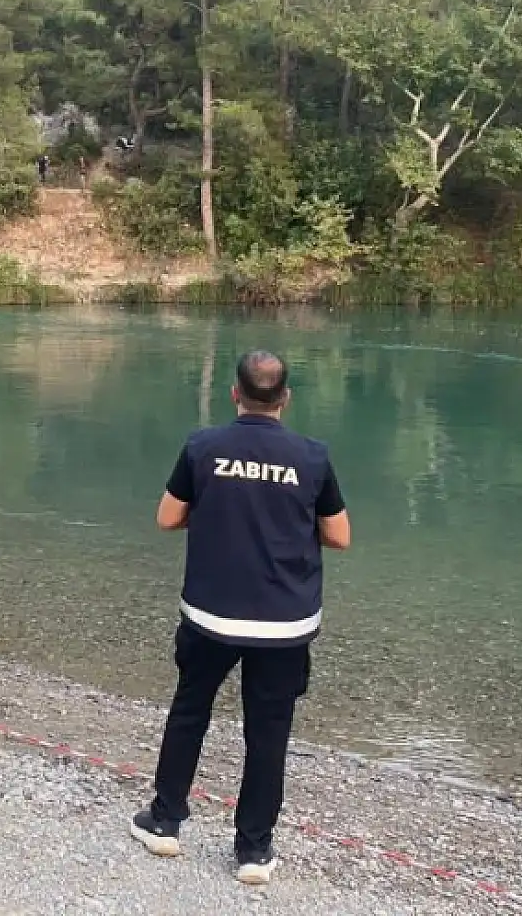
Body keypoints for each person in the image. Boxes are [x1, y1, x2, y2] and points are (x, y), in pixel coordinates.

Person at [131, 351, 351, 886]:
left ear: (235, 394)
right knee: (268, 733)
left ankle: (165, 821)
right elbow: (340, 536)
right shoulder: (312, 457)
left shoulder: (204, 447)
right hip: (284, 625)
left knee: (190, 712)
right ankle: (253, 851)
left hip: (211, 615)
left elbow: (166, 518)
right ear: (286, 398)